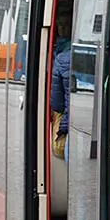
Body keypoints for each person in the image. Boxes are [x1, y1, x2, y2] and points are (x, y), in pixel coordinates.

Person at [49, 15, 71, 159]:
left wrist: (63, 126)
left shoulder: (62, 56)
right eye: (59, 24)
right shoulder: (56, 46)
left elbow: (58, 103)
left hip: (64, 115)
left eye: (66, 24)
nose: (62, 28)